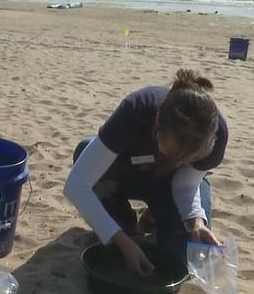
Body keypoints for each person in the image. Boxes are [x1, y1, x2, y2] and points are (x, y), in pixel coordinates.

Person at [64, 69, 228, 276]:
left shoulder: (215, 135)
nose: (175, 162)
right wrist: (122, 240)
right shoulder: (137, 110)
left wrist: (196, 221)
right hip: (129, 172)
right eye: (170, 153)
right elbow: (76, 186)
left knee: (182, 259)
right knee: (86, 150)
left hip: (172, 187)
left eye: (186, 159)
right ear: (157, 123)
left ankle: (157, 215)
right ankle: (123, 220)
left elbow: (186, 184)